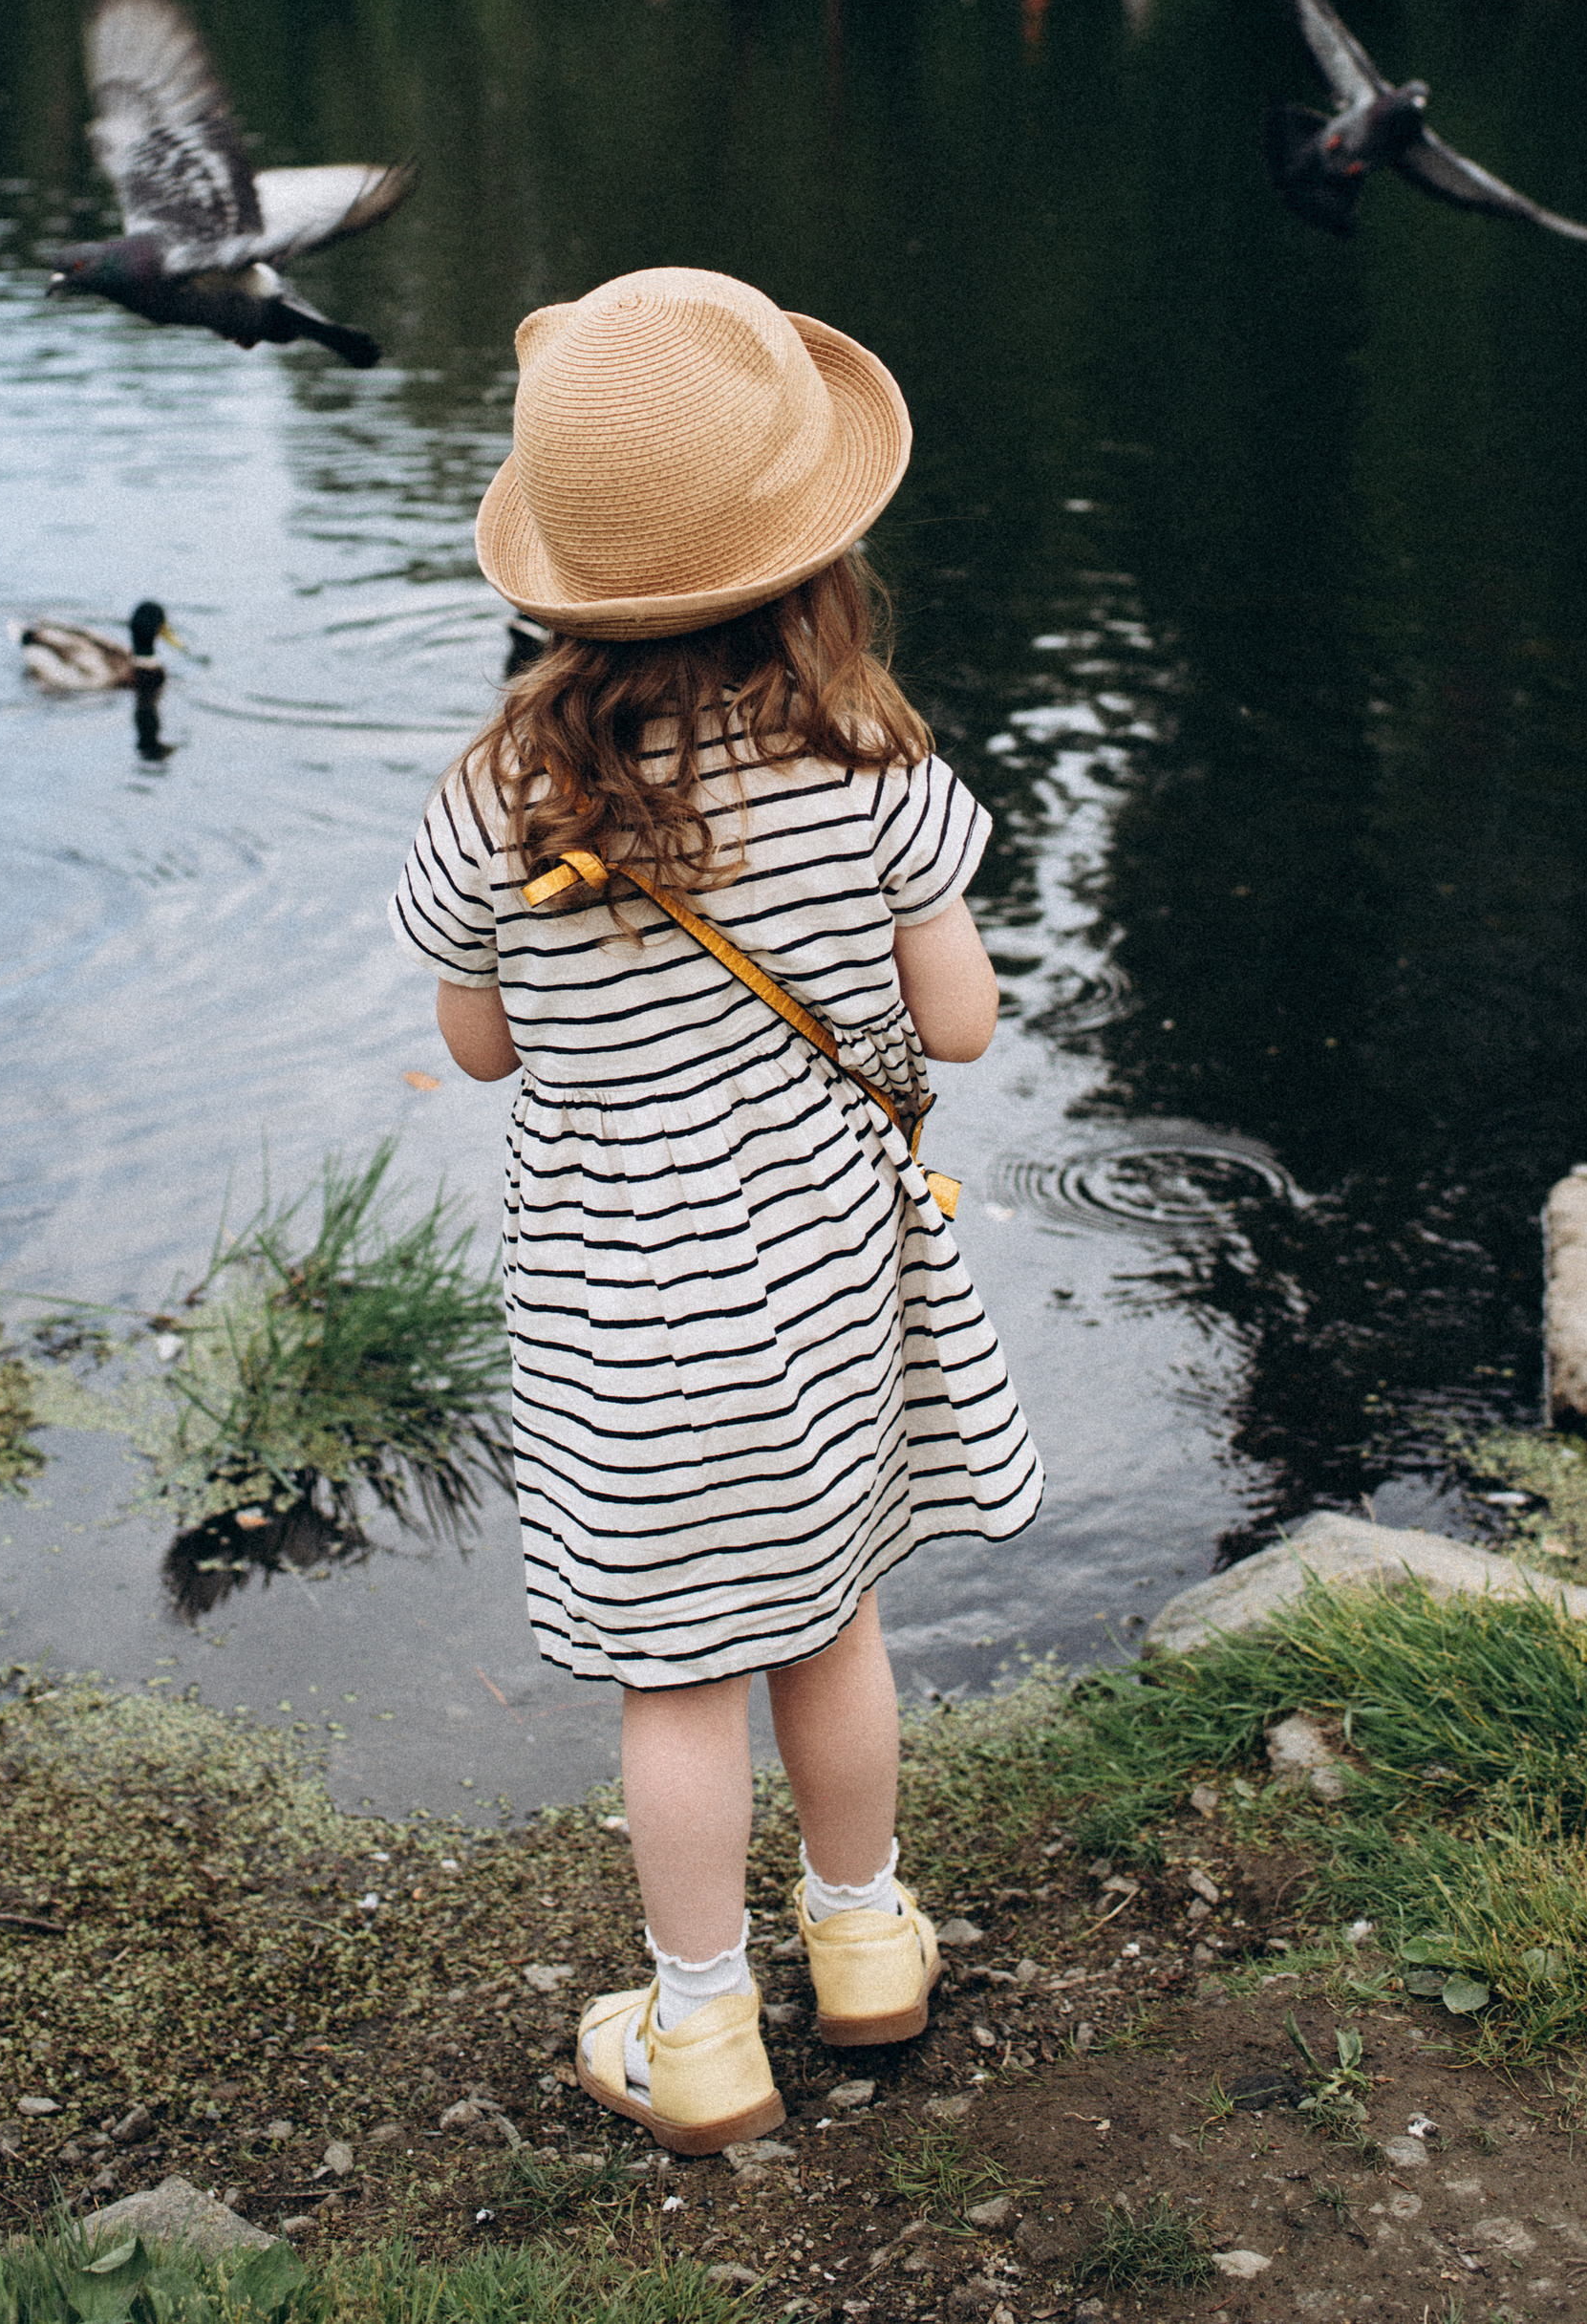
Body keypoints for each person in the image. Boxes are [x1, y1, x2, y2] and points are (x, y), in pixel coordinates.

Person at [393, 265, 1041, 2156]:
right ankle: (862, 1952)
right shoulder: (867, 758)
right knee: (827, 1618)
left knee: (673, 1680)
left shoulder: (496, 799)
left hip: (615, 1301)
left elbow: (481, 1046)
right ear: (807, 556)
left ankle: (696, 2038)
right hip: (825, 1277)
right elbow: (958, 1022)